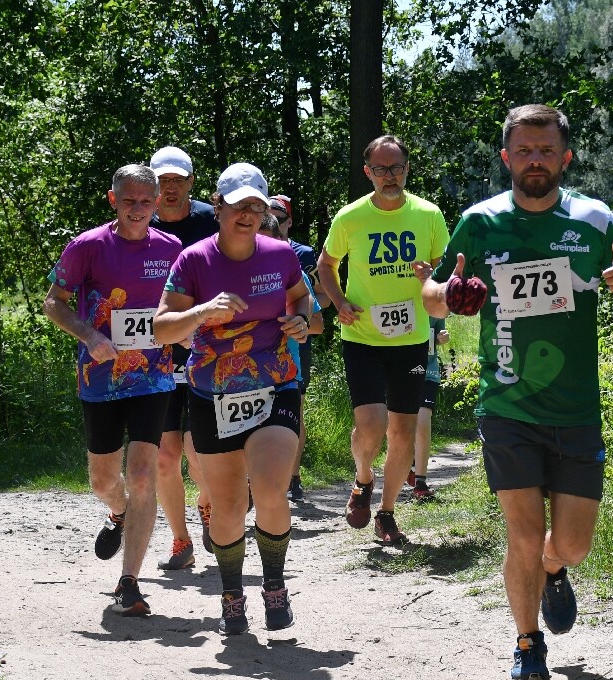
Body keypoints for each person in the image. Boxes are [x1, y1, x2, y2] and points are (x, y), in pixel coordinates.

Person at [421, 104, 613, 680]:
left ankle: (555, 569)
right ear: (506, 157)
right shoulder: (479, 222)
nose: (535, 161)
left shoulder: (595, 220)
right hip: (507, 404)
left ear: (565, 157)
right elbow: (430, 290)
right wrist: (447, 295)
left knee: (570, 545)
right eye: (524, 151)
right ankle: (527, 643)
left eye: (546, 151)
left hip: (576, 408)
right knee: (523, 532)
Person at [153, 163, 312, 635]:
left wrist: (301, 321)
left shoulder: (280, 255)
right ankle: (231, 596)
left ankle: (275, 586)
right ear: (218, 206)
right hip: (211, 391)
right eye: (238, 205)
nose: (247, 214)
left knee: (269, 488)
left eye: (256, 207)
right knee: (226, 507)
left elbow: (302, 299)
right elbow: (163, 327)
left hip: (275, 383)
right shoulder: (194, 260)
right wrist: (203, 311)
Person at [43, 164, 183, 616]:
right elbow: (53, 304)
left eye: (147, 201)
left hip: (155, 376)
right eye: (129, 200)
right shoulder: (87, 246)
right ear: (113, 200)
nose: (138, 209)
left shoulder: (172, 247)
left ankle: (130, 582)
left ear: (158, 202)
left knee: (144, 472)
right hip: (101, 378)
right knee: (104, 480)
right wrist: (90, 336)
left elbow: (181, 307)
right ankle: (116, 511)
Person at [317, 135, 450, 545]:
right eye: (381, 168)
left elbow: (446, 268)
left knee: (403, 433)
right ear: (367, 172)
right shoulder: (350, 217)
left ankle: (388, 512)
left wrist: (433, 279)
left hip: (411, 337)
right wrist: (338, 301)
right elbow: (326, 263)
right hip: (362, 335)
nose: (389, 176)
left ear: (407, 169)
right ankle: (362, 480)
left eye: (396, 168)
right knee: (371, 425)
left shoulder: (428, 215)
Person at [148, 146, 219, 571]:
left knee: (200, 453)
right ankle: (180, 540)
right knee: (163, 454)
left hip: (208, 348)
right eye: (162, 181)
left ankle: (209, 506)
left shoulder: (211, 221)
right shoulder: (139, 222)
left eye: (178, 180)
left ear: (191, 183)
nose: (169, 188)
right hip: (156, 352)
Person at [270, 194, 325, 500]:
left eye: (278, 220)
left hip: (291, 351)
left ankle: (292, 476)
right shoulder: (232, 261)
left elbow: (319, 306)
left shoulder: (301, 256)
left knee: (293, 410)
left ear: (288, 222)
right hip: (249, 359)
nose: (272, 226)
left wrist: (298, 319)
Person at [406, 314, 449, 502]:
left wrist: (442, 337)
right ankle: (408, 461)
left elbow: (440, 331)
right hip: (400, 369)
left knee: (423, 421)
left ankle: (420, 482)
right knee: (400, 426)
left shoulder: (434, 298)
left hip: (427, 370)